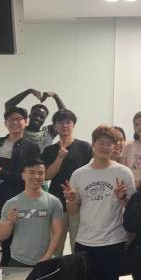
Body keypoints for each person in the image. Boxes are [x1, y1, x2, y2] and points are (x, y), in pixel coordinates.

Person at [61, 125, 136, 280]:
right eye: (101, 143)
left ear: (115, 147)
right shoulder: (79, 174)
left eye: (110, 144)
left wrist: (122, 197)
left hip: (112, 242)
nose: (105, 147)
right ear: (93, 145)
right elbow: (73, 210)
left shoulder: (123, 172)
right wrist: (71, 199)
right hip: (84, 242)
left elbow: (132, 210)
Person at [0, 107, 41, 266]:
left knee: (10, 247)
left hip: (14, 203)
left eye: (18, 119)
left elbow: (31, 178)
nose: (14, 122)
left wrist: (2, 174)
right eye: (10, 119)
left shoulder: (31, 147)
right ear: (5, 123)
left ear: (25, 122)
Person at [42, 109, 93, 257]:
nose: (64, 125)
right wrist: (59, 157)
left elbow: (91, 174)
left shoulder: (84, 147)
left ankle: (77, 273)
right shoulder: (49, 150)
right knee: (55, 247)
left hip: (80, 205)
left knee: (78, 248)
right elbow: (48, 176)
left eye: (68, 122)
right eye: (60, 122)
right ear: (54, 126)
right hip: (56, 203)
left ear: (74, 125)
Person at [0, 158, 63, 267]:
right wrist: (9, 222)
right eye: (31, 172)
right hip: (17, 260)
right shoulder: (11, 203)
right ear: (23, 176)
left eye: (40, 173)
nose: (36, 176)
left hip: (44, 261)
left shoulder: (54, 202)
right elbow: (1, 236)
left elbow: (57, 232)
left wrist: (47, 256)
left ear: (44, 176)